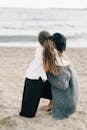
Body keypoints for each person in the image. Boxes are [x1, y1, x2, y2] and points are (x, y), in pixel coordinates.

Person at [43, 33, 79, 119]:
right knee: (47, 78)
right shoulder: (63, 57)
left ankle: (51, 104)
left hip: (67, 105)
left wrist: (47, 75)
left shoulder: (58, 63)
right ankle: (51, 103)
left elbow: (63, 85)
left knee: (39, 82)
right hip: (73, 98)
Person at [19, 31, 52, 118]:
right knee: (28, 113)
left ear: (39, 41)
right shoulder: (46, 50)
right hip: (34, 77)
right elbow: (46, 68)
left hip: (31, 74)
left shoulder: (41, 47)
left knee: (28, 109)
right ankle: (52, 104)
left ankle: (51, 104)